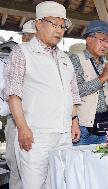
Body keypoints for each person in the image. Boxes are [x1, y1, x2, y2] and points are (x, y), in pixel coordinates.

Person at [5, 1, 81, 188]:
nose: (59, 30)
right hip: (35, 135)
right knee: (33, 185)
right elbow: (13, 94)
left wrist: (74, 121)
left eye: (62, 26)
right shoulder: (22, 52)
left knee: (60, 184)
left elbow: (72, 92)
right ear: (38, 24)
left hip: (64, 136)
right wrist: (22, 127)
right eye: (54, 24)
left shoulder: (65, 58)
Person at [70, 20, 108, 145]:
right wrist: (103, 77)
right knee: (79, 163)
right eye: (102, 40)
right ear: (88, 39)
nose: (105, 45)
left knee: (101, 164)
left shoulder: (106, 64)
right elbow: (75, 91)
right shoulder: (76, 59)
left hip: (105, 126)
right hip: (83, 128)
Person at [3, 19, 36, 189]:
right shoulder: (14, 58)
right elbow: (6, 92)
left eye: (30, 36)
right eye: (25, 36)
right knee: (15, 166)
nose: (25, 40)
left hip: (38, 121)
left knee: (36, 170)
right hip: (16, 121)